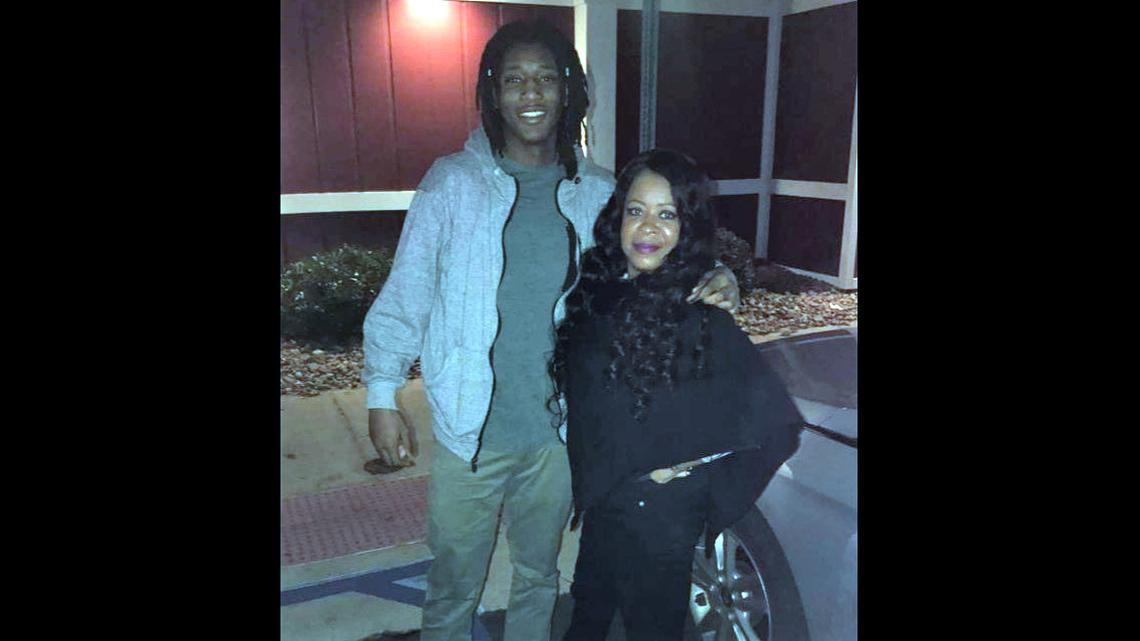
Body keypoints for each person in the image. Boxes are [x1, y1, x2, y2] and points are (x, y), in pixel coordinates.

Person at [361, 21, 739, 641]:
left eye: (545, 78)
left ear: (568, 91)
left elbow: (655, 252)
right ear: (493, 92)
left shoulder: (596, 193)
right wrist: (382, 393)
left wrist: (716, 274)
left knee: (539, 577)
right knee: (453, 585)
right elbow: (407, 294)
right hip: (468, 434)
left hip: (557, 436)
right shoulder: (452, 185)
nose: (530, 93)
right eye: (514, 79)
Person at [551, 149, 804, 641]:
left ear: (686, 226)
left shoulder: (699, 312)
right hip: (604, 500)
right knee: (587, 615)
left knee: (652, 628)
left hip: (659, 513)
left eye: (667, 214)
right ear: (618, 217)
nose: (648, 227)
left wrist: (696, 476)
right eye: (636, 210)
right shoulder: (601, 290)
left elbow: (776, 424)